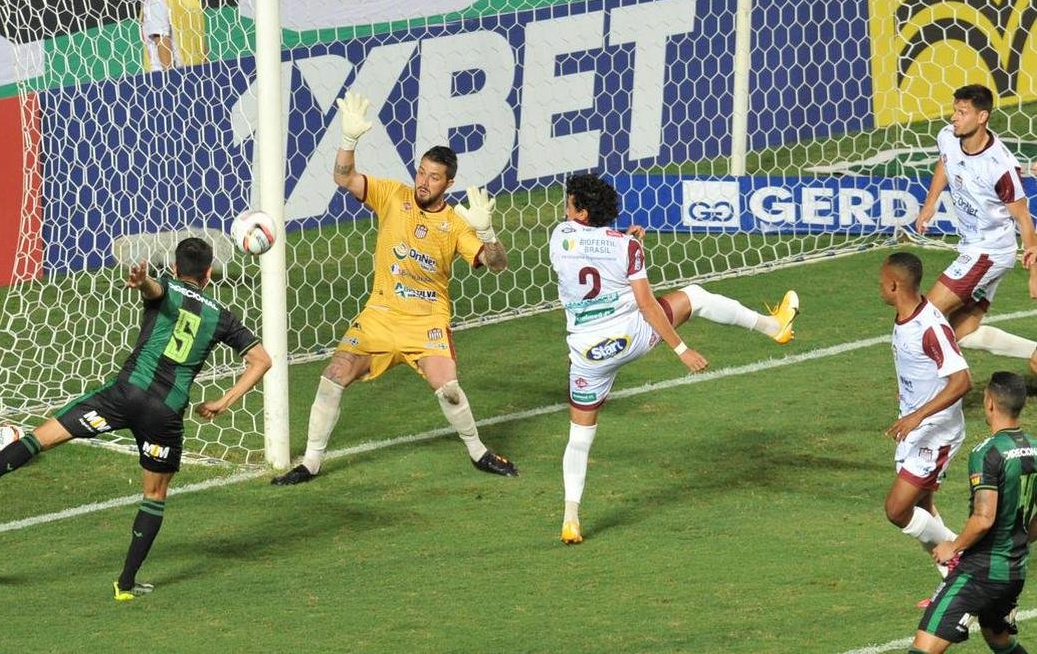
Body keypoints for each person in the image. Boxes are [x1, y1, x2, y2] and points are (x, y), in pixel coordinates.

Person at [0, 238, 270, 601]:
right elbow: (261, 360)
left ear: (176, 268)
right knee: (154, 495)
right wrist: (224, 401)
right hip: (164, 415)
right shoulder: (223, 317)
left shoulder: (167, 288)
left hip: (123, 398)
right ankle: (126, 585)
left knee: (39, 438)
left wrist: (143, 281)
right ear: (209, 274)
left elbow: (155, 290)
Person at [271, 90, 518, 485]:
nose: (423, 181)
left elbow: (497, 265)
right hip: (380, 318)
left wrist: (486, 232)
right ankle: (311, 462)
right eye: (421, 172)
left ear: (448, 183)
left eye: (433, 177)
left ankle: (478, 452)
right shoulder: (392, 195)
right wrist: (348, 140)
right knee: (334, 373)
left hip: (427, 324)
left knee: (450, 390)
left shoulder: (455, 224)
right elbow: (343, 177)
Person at [550, 173, 799, 544]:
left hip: (587, 353)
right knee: (695, 297)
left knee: (580, 437)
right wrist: (682, 349)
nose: (565, 207)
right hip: (629, 337)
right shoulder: (625, 247)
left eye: (569, 202)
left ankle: (571, 517)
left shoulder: (559, 236)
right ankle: (773, 326)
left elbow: (589, 260)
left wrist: (624, 249)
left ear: (581, 213)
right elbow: (647, 303)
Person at [909, 371, 1037, 654]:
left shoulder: (987, 452)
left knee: (922, 649)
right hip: (1014, 571)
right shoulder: (1035, 449)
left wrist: (952, 547)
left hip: (979, 573)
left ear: (989, 402)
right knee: (998, 638)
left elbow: (983, 517)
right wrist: (1017, 542)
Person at [915, 84, 1037, 374]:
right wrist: (930, 203)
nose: (954, 117)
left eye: (962, 112)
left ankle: (928, 389)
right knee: (962, 332)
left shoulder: (1000, 166)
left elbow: (1023, 218)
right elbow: (946, 161)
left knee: (926, 316)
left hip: (990, 252)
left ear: (982, 117)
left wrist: (1034, 273)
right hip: (973, 247)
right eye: (954, 110)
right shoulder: (948, 136)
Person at [880, 252, 973, 602]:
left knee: (897, 509)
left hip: (935, 432)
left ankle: (964, 563)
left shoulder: (930, 327)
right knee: (922, 510)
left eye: (882, 282)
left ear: (894, 284)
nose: (880, 287)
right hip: (915, 428)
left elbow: (962, 381)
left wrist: (917, 415)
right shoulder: (905, 316)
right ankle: (953, 580)